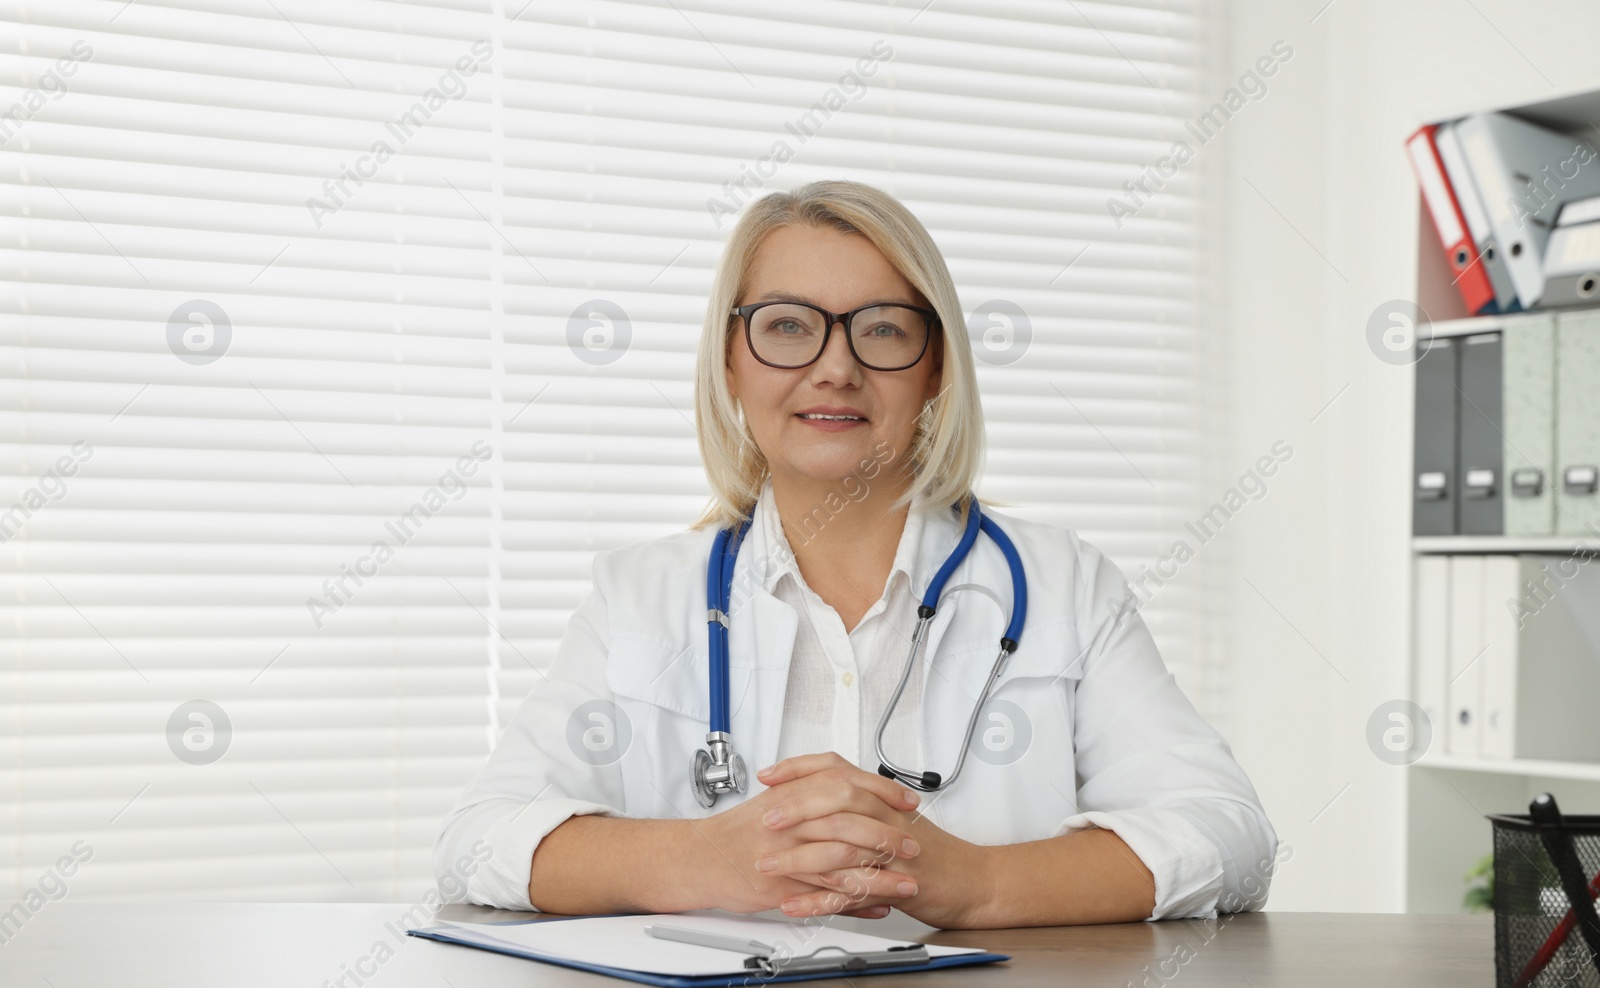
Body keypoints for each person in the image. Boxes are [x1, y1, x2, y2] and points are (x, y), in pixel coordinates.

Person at [433, 179, 1277, 928]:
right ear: (731, 360)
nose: (835, 366)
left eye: (881, 328)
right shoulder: (641, 597)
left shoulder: (1062, 586)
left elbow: (1228, 835)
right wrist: (710, 859)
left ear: (936, 364)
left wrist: (977, 882)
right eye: (789, 326)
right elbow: (478, 842)